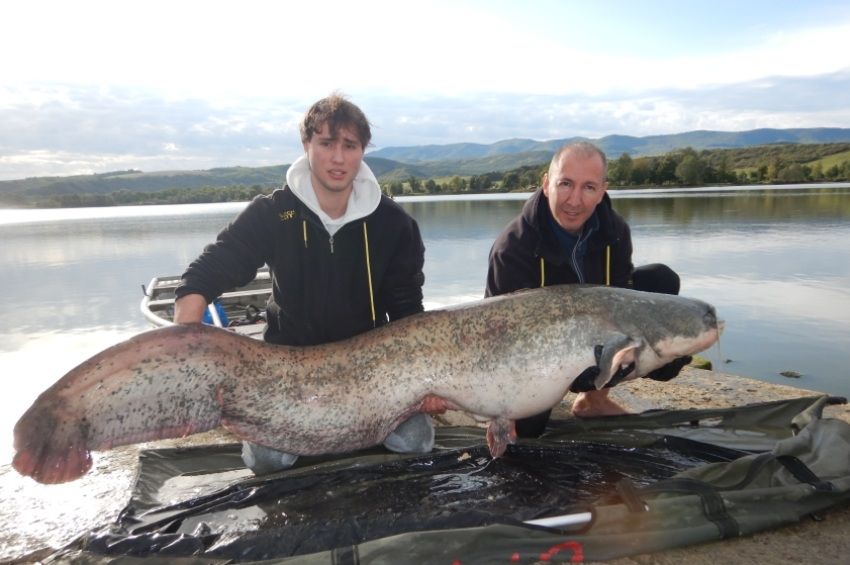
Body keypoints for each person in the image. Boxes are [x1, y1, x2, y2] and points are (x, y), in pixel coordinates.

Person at [173, 93, 434, 474]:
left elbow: (409, 310)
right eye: (327, 143)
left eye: (350, 145)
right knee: (269, 460)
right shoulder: (273, 213)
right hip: (287, 372)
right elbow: (207, 272)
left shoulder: (394, 223)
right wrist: (184, 343)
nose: (339, 158)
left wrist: (424, 381)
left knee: (416, 443)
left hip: (374, 371)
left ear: (362, 151)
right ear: (307, 145)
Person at [485, 141, 691, 437]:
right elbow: (498, 339)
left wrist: (649, 350)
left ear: (603, 190)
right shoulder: (512, 248)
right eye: (565, 184)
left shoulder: (615, 230)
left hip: (593, 333)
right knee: (528, 431)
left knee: (660, 281)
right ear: (546, 184)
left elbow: (620, 299)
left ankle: (593, 401)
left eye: (589, 187)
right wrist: (503, 412)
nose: (574, 200)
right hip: (537, 355)